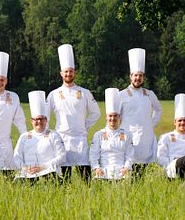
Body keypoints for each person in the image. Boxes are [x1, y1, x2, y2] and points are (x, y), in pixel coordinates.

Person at [47, 44, 100, 181]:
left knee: (86, 178)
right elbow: (45, 117)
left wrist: (84, 126)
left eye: (71, 71)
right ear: (61, 74)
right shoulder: (53, 94)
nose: (68, 74)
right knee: (65, 179)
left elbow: (96, 113)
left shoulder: (84, 92)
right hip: (62, 139)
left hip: (80, 139)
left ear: (74, 73)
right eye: (66, 72)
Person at [119, 48, 162, 178]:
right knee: (127, 167)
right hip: (128, 135)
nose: (138, 78)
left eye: (140, 75)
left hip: (145, 136)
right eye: (135, 75)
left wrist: (150, 124)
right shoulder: (121, 95)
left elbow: (158, 109)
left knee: (141, 170)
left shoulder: (149, 94)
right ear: (130, 76)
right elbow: (115, 116)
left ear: (143, 77)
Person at [13, 91, 67, 183]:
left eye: (42, 119)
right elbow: (16, 157)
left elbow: (62, 156)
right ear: (31, 121)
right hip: (27, 173)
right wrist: (25, 168)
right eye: (36, 119)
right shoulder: (24, 136)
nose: (39, 122)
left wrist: (43, 167)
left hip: (48, 171)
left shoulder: (54, 135)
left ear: (46, 121)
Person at [89, 88, 133, 180]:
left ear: (119, 117)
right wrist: (96, 168)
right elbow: (93, 154)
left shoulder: (126, 135)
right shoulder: (99, 135)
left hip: (122, 173)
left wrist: (126, 168)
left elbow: (130, 155)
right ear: (106, 117)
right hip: (103, 173)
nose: (112, 119)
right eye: (110, 116)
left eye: (115, 116)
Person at [157, 94, 185, 179]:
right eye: (180, 120)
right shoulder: (165, 138)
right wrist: (174, 161)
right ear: (175, 122)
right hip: (172, 169)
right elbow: (160, 157)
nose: (182, 123)